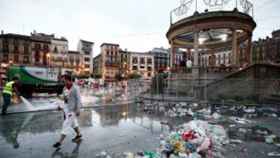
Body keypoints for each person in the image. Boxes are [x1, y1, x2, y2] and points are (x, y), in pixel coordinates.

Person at [53, 75, 83, 148]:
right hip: (66, 109)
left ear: (69, 80)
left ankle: (59, 142)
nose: (63, 82)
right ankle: (79, 135)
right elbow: (65, 98)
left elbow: (79, 100)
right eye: (63, 81)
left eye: (64, 81)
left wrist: (78, 109)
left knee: (66, 124)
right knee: (73, 123)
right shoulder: (65, 88)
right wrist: (60, 106)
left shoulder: (76, 88)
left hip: (73, 110)